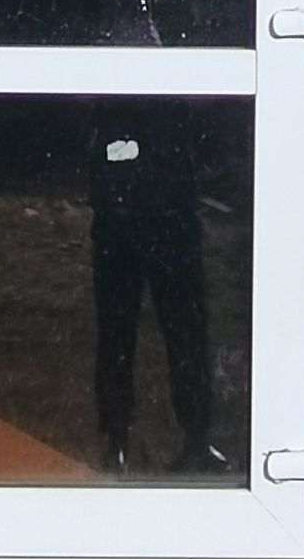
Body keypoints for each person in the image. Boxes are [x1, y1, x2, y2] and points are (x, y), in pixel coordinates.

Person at [87, 105, 225, 475]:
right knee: (117, 333)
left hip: (173, 218)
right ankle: (115, 440)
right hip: (119, 220)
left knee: (186, 331)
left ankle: (197, 440)